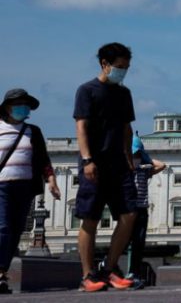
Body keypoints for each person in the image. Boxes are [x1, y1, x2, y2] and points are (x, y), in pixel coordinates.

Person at [74, 43, 138, 292]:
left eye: (126, 68)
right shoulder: (87, 90)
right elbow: (81, 127)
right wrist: (87, 159)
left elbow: (126, 128)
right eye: (120, 67)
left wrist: (129, 159)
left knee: (130, 214)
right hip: (95, 162)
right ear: (104, 64)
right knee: (90, 218)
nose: (123, 72)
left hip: (119, 164)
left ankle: (109, 269)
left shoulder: (124, 94)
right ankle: (87, 275)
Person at [0, 89, 60, 295]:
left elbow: (43, 158)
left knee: (15, 231)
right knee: (4, 228)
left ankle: (2, 273)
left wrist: (51, 180)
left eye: (25, 104)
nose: (22, 108)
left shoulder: (33, 131)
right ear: (7, 107)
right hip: (1, 185)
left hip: (24, 187)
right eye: (18, 103)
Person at [127, 134, 166, 288]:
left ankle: (134, 273)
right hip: (128, 210)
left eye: (137, 154)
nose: (134, 157)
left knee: (138, 243)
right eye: (132, 154)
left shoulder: (144, 171)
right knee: (124, 242)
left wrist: (146, 160)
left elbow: (161, 165)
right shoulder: (125, 172)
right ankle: (109, 266)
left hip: (142, 210)